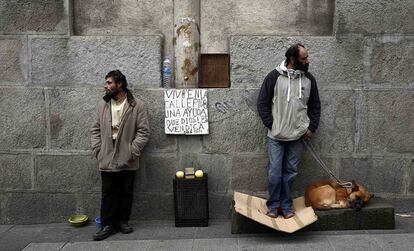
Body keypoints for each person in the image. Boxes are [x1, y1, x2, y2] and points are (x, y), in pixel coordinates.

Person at [257, 43, 321, 219]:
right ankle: (273, 205)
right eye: (304, 58)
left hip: (298, 137)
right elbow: (262, 103)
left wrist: (310, 128)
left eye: (307, 57)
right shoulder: (273, 77)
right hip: (276, 136)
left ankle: (286, 206)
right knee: (274, 173)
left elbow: (315, 106)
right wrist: (272, 124)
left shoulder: (309, 80)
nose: (308, 61)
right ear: (293, 59)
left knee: (290, 173)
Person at [91, 70, 150, 241]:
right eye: (106, 83)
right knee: (108, 191)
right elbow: (95, 129)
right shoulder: (102, 104)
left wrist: (133, 151)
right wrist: (98, 149)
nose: (106, 86)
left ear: (120, 84)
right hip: (107, 154)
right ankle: (107, 225)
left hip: (127, 155)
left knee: (126, 191)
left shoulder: (136, 105)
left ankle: (123, 221)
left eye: (109, 83)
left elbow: (143, 132)